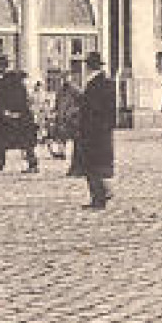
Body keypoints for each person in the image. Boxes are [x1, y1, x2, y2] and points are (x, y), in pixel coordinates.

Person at [70, 53, 115, 210]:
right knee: (97, 165)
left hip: (92, 131)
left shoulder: (95, 83)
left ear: (88, 66)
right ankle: (102, 193)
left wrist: (79, 99)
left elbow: (92, 106)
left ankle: (98, 198)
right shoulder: (106, 82)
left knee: (91, 165)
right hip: (101, 131)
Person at [1, 68, 40, 173]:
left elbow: (21, 105)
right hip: (26, 120)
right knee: (28, 144)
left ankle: (33, 165)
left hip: (23, 120)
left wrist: (11, 113)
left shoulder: (19, 89)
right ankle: (33, 165)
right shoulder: (22, 88)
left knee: (27, 144)